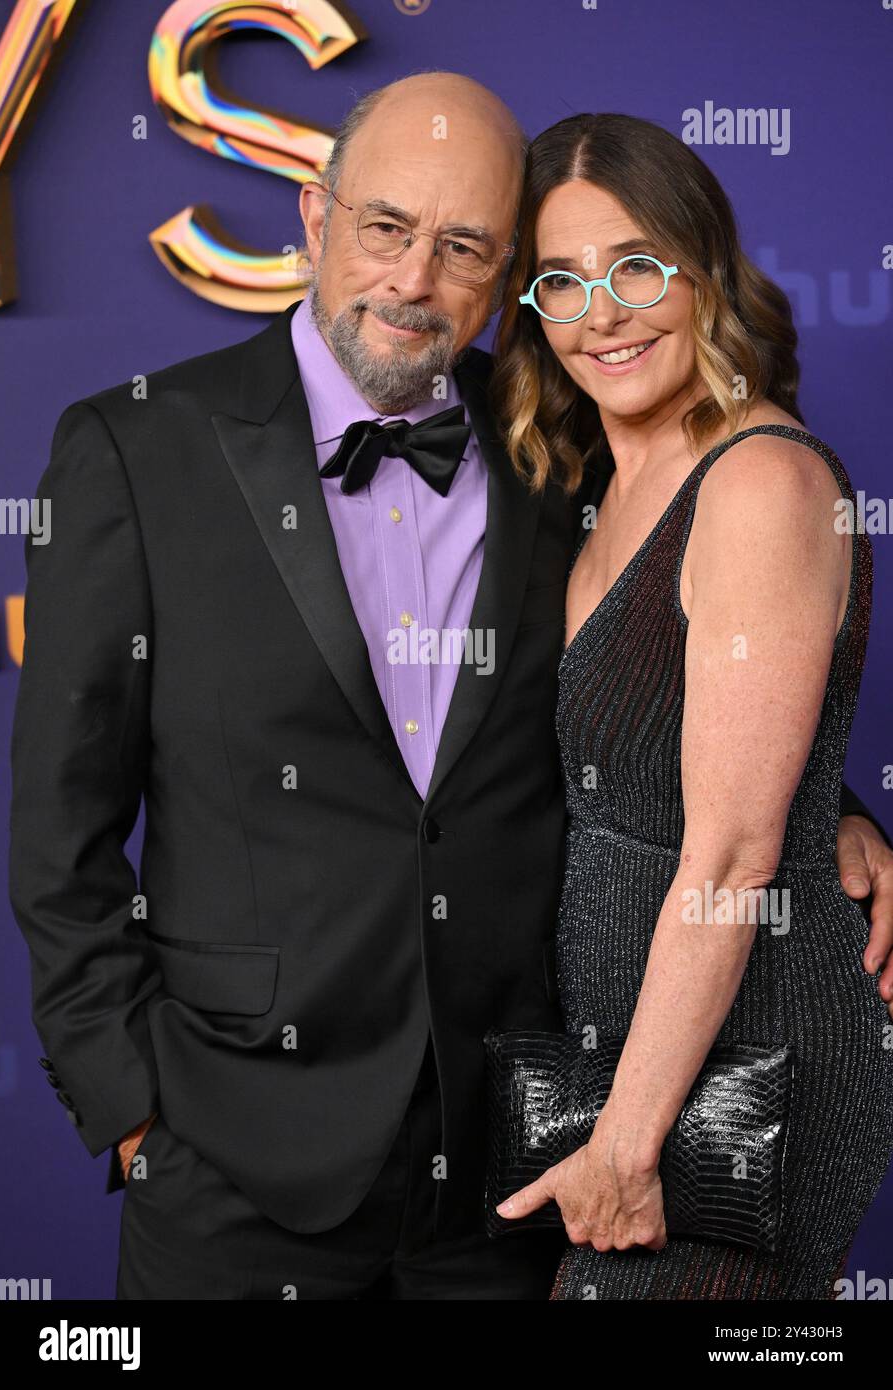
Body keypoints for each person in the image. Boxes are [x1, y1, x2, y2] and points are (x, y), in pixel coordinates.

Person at [8, 78, 893, 1301]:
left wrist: (829, 814)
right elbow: (60, 832)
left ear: (500, 282)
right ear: (314, 222)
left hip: (516, 1148)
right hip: (233, 1152)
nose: (416, 280)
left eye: (466, 247)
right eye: (385, 227)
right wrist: (128, 1107)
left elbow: (680, 679)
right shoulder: (134, 451)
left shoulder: (561, 440)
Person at [491, 111, 893, 1299]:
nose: (601, 313)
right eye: (559, 282)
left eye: (635, 267)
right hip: (627, 1058)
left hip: (746, 1070)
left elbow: (729, 842)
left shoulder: (759, 480)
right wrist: (844, 806)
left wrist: (626, 1142)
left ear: (704, 267)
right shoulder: (590, 484)